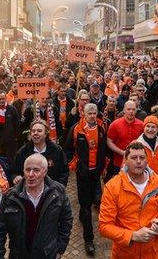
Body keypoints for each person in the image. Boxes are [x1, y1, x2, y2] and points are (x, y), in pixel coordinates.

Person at [99, 142, 158, 259]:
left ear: (147, 160)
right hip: (126, 254)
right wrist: (133, 236)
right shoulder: (113, 187)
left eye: (142, 158)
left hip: (156, 253)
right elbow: (104, 226)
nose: (138, 161)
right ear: (125, 161)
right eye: (134, 158)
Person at [0, 154, 73, 258]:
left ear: (45, 172)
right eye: (27, 170)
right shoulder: (10, 197)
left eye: (36, 170)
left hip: (47, 255)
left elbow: (66, 220)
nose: (31, 174)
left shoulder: (58, 192)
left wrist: (60, 248)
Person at [64, 103, 107, 255]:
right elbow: (68, 149)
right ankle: (88, 240)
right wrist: (73, 165)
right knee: (86, 205)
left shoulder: (101, 128)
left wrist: (103, 165)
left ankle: (83, 213)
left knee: (92, 200)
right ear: (83, 113)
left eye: (94, 113)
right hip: (82, 174)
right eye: (89, 113)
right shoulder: (77, 129)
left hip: (96, 173)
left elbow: (103, 149)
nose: (92, 115)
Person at [12, 119, 69, 186]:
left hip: (52, 191)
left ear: (45, 134)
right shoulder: (23, 152)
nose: (35, 133)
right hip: (29, 191)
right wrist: (15, 177)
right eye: (33, 131)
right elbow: (14, 172)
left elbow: (64, 172)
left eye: (39, 131)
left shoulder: (57, 150)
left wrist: (59, 188)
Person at [106, 100, 144, 182]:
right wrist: (121, 152)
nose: (131, 111)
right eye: (128, 109)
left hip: (136, 163)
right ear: (124, 110)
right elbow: (109, 141)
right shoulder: (115, 124)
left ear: (136, 110)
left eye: (133, 109)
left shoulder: (141, 125)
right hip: (118, 163)